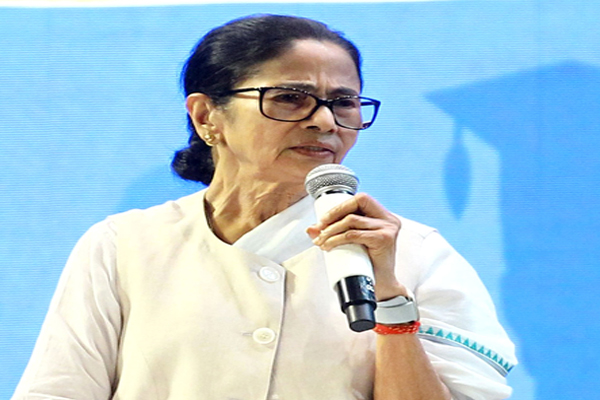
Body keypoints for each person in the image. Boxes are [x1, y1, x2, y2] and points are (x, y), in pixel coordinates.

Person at [12, 14, 516, 400]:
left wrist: (388, 297)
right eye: (291, 98)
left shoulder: (415, 253)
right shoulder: (125, 245)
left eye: (343, 102)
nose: (325, 122)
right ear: (206, 116)